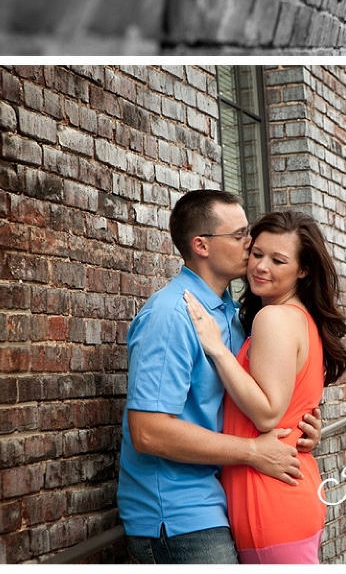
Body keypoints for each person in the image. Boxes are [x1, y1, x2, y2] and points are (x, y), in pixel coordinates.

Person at [116, 189, 323, 564]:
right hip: (178, 515)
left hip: (218, 499)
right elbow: (147, 431)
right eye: (240, 235)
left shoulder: (232, 316)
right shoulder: (171, 315)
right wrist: (253, 452)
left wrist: (300, 424)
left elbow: (254, 401)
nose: (250, 243)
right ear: (202, 245)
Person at [184, 209, 346, 564]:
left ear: (302, 270)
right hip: (284, 491)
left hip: (271, 501)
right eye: (257, 254)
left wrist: (216, 348)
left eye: (278, 260)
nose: (261, 267)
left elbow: (268, 414)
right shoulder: (299, 318)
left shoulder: (274, 318)